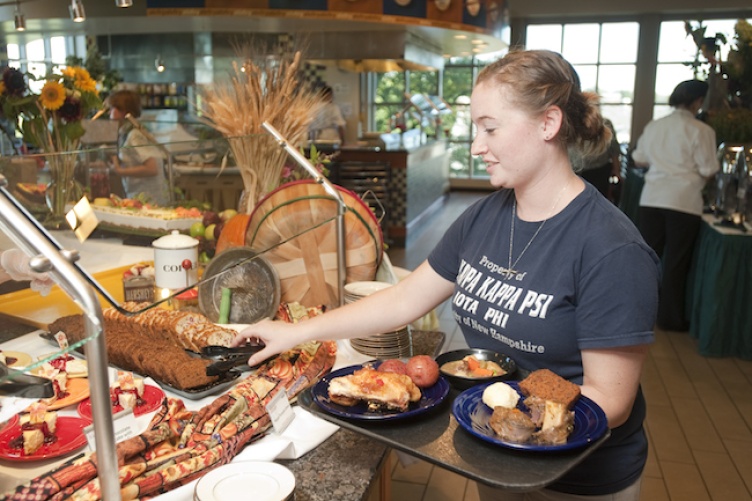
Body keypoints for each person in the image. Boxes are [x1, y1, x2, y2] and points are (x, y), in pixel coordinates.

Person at [234, 49, 660, 500]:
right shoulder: (484, 218)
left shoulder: (611, 248)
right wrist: (295, 332)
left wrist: (498, 409)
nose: (476, 146)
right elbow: (403, 300)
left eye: (490, 128)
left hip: (575, 480)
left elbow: (611, 402)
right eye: (476, 128)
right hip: (496, 453)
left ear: (548, 124)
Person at [631, 79, 718, 332]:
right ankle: (670, 319)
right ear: (698, 101)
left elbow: (639, 159)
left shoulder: (656, 125)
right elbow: (709, 168)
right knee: (676, 263)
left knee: (648, 259)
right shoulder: (702, 130)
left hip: (652, 197)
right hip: (683, 200)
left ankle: (638, 312)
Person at [107, 90, 170, 206]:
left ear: (122, 110)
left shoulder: (136, 134)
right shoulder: (129, 131)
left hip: (150, 201)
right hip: (140, 199)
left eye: (111, 108)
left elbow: (152, 168)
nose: (109, 113)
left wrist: (121, 171)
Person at [571, 118, 621, 201]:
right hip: (576, 172)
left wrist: (617, 170)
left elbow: (614, 150)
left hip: (600, 171)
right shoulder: (570, 124)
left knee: (599, 201)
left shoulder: (604, 123)